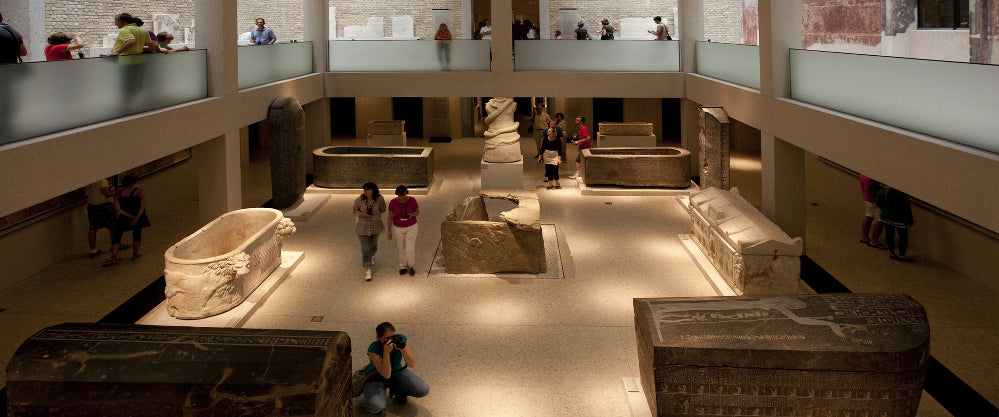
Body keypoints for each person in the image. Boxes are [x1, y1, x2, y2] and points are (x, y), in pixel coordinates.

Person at [362, 322, 429, 414]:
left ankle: (399, 391)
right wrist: (386, 353)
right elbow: (385, 374)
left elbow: (411, 364)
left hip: (397, 372)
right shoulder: (373, 348)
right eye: (386, 339)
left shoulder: (400, 340)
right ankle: (370, 397)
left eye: (392, 338)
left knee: (423, 389)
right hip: (376, 378)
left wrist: (402, 348)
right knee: (376, 407)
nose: (390, 341)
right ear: (379, 338)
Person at [103, 175, 150, 266]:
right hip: (138, 216)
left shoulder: (118, 194)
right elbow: (142, 206)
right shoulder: (139, 191)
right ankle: (135, 254)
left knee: (117, 235)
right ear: (133, 182)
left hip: (124, 217)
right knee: (137, 234)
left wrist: (129, 216)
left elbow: (117, 209)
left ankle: (114, 256)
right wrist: (136, 217)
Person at [353, 182, 386, 281]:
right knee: (366, 247)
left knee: (373, 246)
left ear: (373, 190)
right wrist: (362, 213)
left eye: (368, 189)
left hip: (375, 225)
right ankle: (367, 270)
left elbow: (383, 209)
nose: (365, 192)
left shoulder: (379, 199)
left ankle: (372, 255)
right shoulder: (360, 199)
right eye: (364, 190)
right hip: (363, 226)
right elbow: (354, 210)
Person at [387, 185, 419, 276]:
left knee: (410, 248)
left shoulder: (412, 200)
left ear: (406, 193)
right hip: (398, 228)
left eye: (403, 195)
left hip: (411, 226)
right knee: (401, 248)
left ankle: (411, 266)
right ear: (397, 194)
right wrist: (389, 230)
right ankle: (403, 266)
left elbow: (417, 212)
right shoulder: (393, 202)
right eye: (400, 195)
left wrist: (412, 214)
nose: (402, 197)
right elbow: (390, 217)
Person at [878, 186, 915, 262]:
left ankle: (892, 253)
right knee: (903, 237)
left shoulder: (881, 192)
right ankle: (902, 255)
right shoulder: (901, 194)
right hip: (899, 219)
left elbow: (879, 205)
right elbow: (907, 209)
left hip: (885, 217)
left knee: (889, 234)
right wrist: (910, 221)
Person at [85, 178, 116, 258]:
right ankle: (115, 245)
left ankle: (93, 250)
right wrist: (117, 192)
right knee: (113, 225)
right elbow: (107, 194)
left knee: (93, 227)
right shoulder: (102, 180)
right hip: (103, 206)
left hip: (91, 205)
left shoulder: (86, 179)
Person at [859, 174, 885, 249]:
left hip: (867, 198)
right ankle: (874, 241)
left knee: (868, 215)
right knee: (880, 220)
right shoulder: (872, 178)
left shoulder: (863, 174)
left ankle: (865, 237)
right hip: (875, 200)